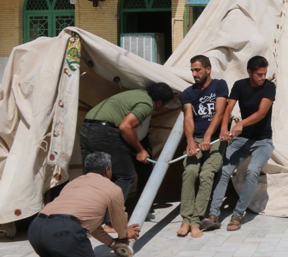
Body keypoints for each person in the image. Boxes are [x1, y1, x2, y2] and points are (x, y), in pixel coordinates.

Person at [11, 152, 141, 257]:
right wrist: (124, 234)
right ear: (107, 170)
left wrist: (112, 244)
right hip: (65, 229)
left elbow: (90, 225)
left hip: (37, 227)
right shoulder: (112, 189)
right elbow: (119, 221)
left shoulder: (73, 183)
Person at [202, 55, 276, 233]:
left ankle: (238, 214)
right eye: (259, 74)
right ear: (249, 72)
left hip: (263, 141)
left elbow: (261, 113)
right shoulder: (239, 85)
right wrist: (223, 129)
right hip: (242, 140)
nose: (262, 78)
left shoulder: (269, 87)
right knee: (225, 169)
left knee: (252, 171)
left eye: (264, 73)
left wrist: (240, 124)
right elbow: (228, 109)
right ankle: (213, 215)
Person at [80, 82, 175, 201]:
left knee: (91, 175)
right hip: (106, 132)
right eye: (164, 105)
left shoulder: (136, 94)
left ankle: (87, 211)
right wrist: (140, 150)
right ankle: (112, 217)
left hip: (87, 129)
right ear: (159, 102)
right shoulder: (147, 104)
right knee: (125, 175)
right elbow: (125, 126)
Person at [177, 55, 228, 238]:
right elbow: (188, 118)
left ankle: (196, 220)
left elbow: (220, 112)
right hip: (196, 139)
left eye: (197, 70)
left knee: (206, 174)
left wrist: (208, 136)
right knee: (189, 172)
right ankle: (186, 219)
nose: (194, 73)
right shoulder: (188, 92)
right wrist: (190, 141)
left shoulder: (219, 85)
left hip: (214, 140)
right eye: (192, 70)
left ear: (208, 69)